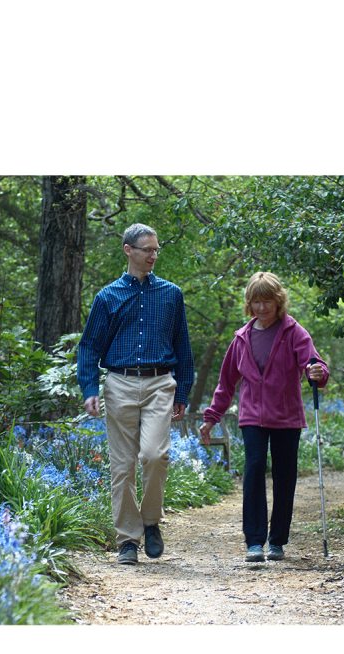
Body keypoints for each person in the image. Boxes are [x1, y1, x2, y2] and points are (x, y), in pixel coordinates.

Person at [77, 223, 194, 566]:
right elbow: (89, 348)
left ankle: (150, 521)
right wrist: (89, 389)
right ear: (128, 250)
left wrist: (182, 391)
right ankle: (128, 540)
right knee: (122, 466)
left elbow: (183, 347)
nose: (153, 255)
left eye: (156, 250)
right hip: (119, 383)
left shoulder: (171, 294)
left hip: (160, 383)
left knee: (155, 456)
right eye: (147, 249)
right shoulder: (107, 297)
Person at [200, 271, 329, 563]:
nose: (261, 308)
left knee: (285, 476)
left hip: (286, 416)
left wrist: (317, 373)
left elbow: (314, 365)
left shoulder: (294, 332)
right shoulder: (242, 338)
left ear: (278, 301)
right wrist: (211, 418)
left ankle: (278, 541)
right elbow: (226, 383)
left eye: (267, 301)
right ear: (249, 303)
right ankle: (254, 541)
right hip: (252, 417)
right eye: (256, 302)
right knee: (254, 469)